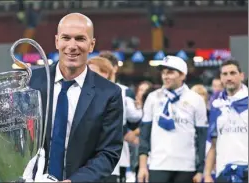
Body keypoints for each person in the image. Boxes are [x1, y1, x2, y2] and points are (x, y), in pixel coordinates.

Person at [0, 12, 124, 182]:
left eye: (80, 39)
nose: (72, 45)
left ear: (92, 44)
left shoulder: (109, 93)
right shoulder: (29, 82)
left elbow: (109, 153)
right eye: (66, 38)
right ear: (56, 41)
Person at [137, 55, 208, 183]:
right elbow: (144, 135)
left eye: (170, 72)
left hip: (186, 166)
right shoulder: (152, 98)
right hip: (158, 164)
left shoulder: (196, 100)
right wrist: (142, 167)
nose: (165, 76)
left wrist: (200, 170)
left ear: (183, 75)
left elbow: (201, 138)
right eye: (163, 73)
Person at [97, 51, 143, 182]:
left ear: (114, 68)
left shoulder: (124, 91)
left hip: (116, 145)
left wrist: (134, 130)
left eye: (105, 67)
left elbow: (135, 118)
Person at [204, 60, 248, 183]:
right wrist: (207, 174)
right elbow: (213, 142)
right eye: (225, 74)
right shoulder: (216, 105)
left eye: (233, 73)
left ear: (241, 76)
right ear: (221, 78)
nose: (229, 77)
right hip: (223, 171)